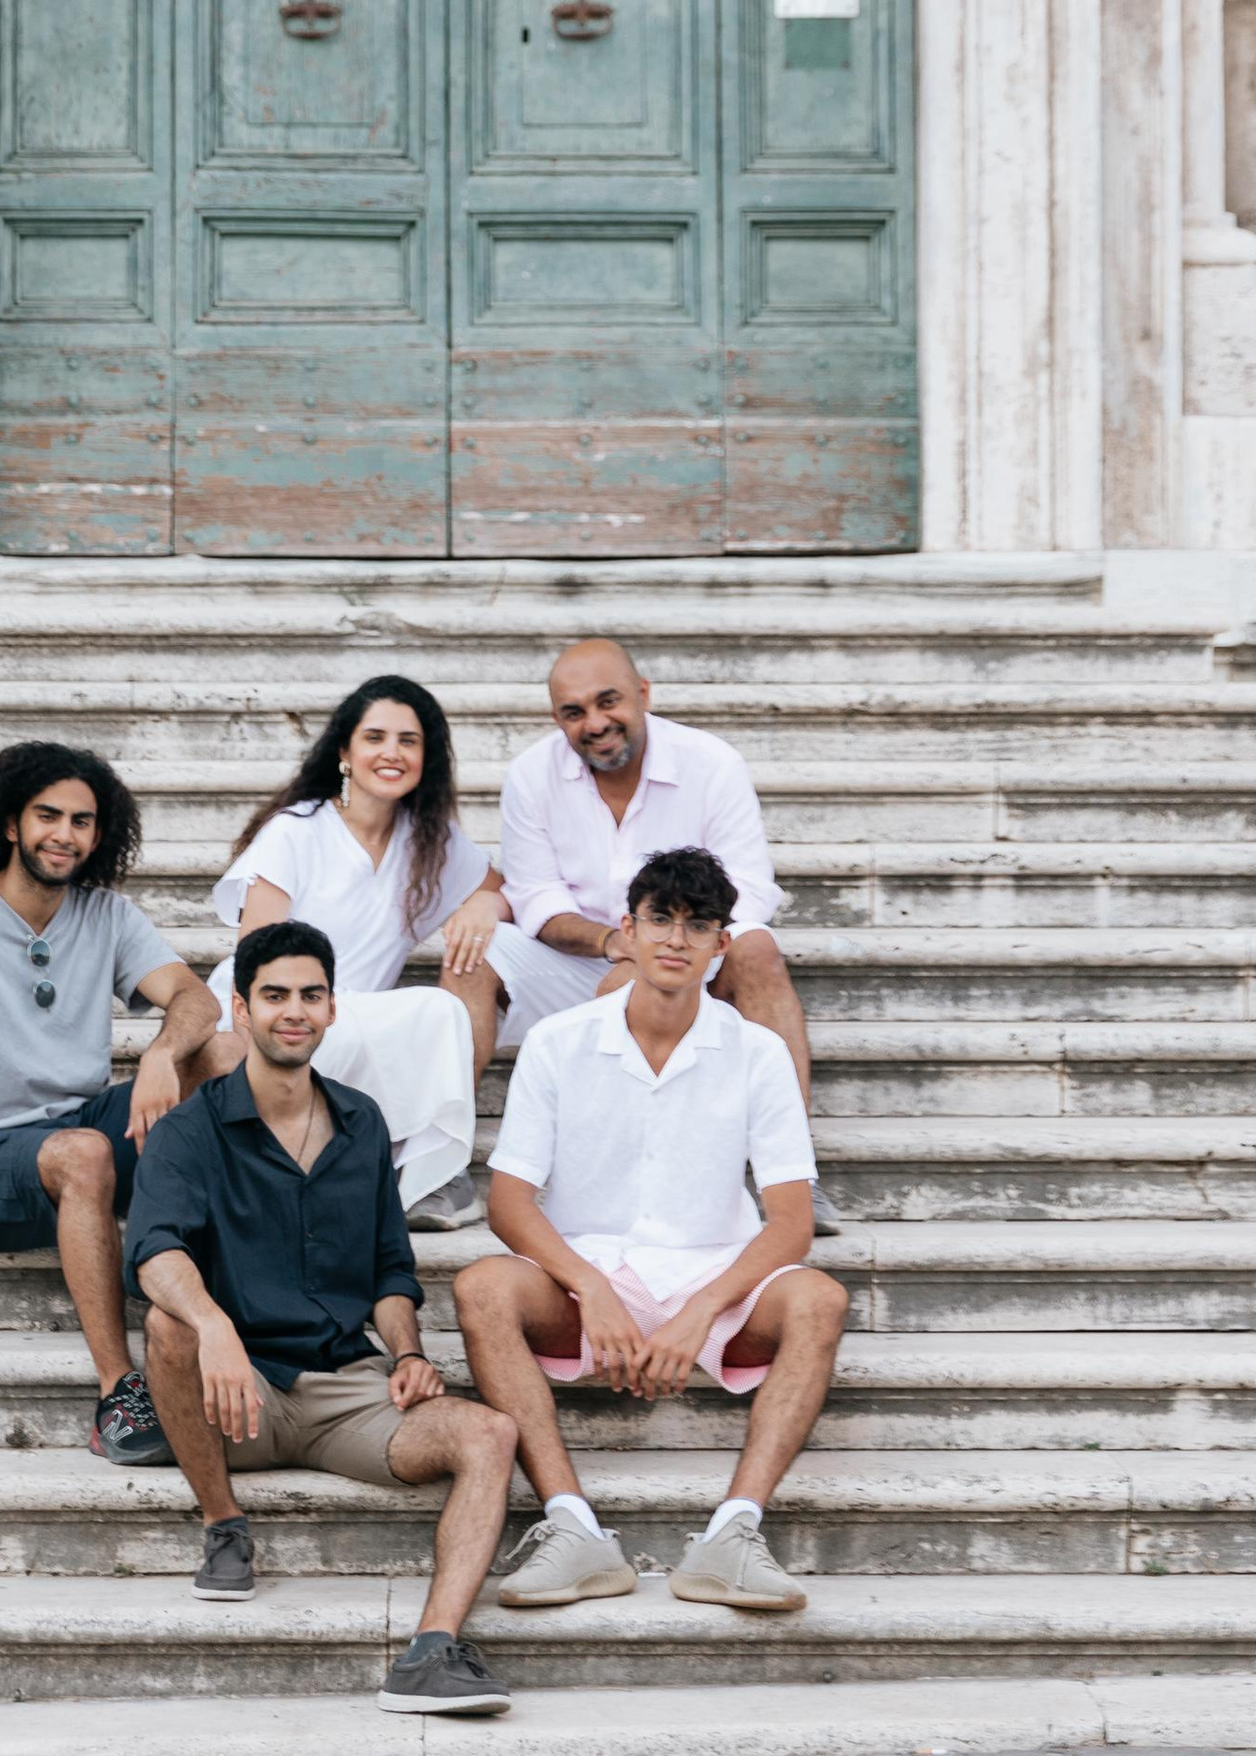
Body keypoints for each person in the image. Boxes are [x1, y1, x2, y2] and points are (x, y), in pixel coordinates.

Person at [127, 916, 520, 1718]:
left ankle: (431, 1651)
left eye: (310, 994)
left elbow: (388, 1267)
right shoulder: (189, 1132)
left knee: (491, 1434)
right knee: (169, 1325)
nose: (293, 1011)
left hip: (350, 1391)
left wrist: (407, 1350)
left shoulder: (362, 1122)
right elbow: (154, 1252)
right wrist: (215, 1327)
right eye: (274, 995)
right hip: (238, 1398)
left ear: (334, 1009)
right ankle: (224, 1523)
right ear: (242, 1009)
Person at [455, 847, 849, 1619]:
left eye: (698, 924)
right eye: (660, 918)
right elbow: (507, 1200)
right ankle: (571, 1526)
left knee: (820, 1301)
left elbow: (792, 1221)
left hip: (717, 1281)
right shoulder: (560, 1041)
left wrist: (701, 1308)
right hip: (589, 1277)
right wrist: (589, 1287)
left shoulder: (758, 1052)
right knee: (480, 1286)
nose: (676, 938)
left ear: (720, 945)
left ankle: (734, 1535)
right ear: (627, 931)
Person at [0, 738, 221, 1467]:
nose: (65, 835)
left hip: (78, 1128)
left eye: (83, 821)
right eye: (48, 816)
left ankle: (251, 1305)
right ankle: (118, 1389)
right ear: (9, 823)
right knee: (85, 1154)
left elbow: (194, 999)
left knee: (222, 1058)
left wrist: (159, 1054)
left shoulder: (107, 916)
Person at [495, 631, 840, 1232]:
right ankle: (438, 1171)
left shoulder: (712, 764)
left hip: (686, 952)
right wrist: (617, 945)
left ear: (644, 694)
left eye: (609, 702)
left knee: (757, 948)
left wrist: (664, 948)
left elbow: (749, 889)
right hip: (584, 954)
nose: (596, 723)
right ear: (557, 719)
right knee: (475, 956)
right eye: (574, 713)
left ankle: (790, 1175)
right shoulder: (530, 776)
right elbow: (534, 899)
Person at [210, 671, 567, 1232]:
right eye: (375, 738)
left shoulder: (429, 841)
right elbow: (255, 955)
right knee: (433, 1010)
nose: (391, 752)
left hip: (357, 1021)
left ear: (427, 758)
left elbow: (505, 890)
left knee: (442, 1006)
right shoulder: (296, 830)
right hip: (280, 1007)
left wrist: (482, 909)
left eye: (408, 741)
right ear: (345, 753)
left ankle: (430, 1179)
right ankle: (420, 1163)